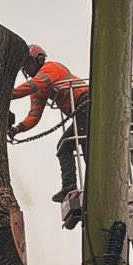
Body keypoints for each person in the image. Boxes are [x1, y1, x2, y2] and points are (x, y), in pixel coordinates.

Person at [9, 44, 90, 207]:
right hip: (81, 111)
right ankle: (72, 186)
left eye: (27, 63)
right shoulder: (40, 88)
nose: (26, 68)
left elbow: (33, 85)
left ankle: (79, 184)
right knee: (68, 145)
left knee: (72, 144)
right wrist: (18, 129)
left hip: (86, 102)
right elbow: (34, 116)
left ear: (39, 59)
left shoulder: (51, 68)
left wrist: (7, 94)